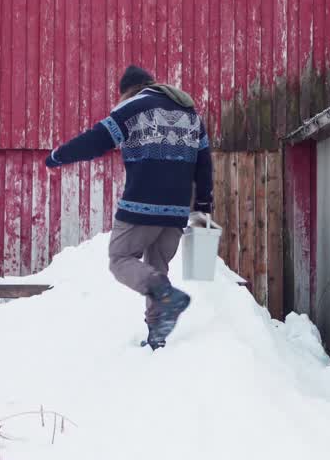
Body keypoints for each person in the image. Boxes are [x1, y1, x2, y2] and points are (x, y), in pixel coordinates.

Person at [44, 65, 214, 349]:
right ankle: (156, 335)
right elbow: (204, 165)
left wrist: (58, 156)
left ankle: (167, 295)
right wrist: (204, 208)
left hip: (141, 204)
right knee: (156, 266)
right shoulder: (191, 114)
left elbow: (96, 141)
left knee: (120, 259)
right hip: (176, 211)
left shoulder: (135, 107)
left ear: (128, 90)